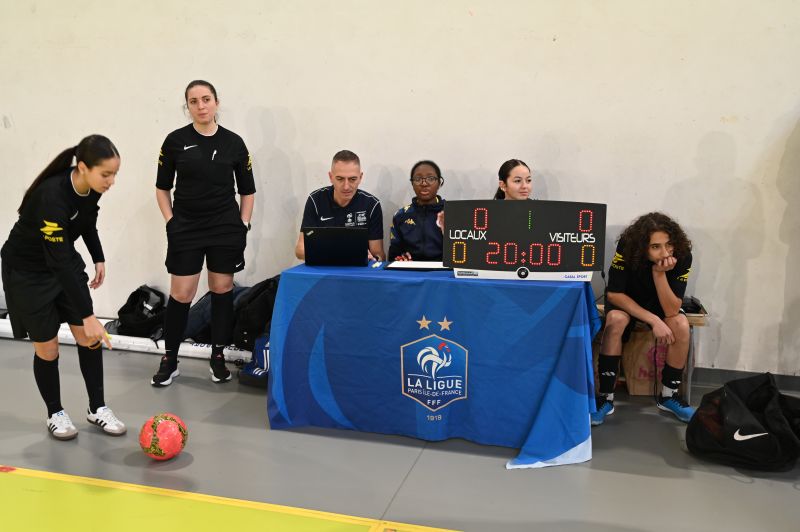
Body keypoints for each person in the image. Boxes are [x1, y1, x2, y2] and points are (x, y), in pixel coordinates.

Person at [1, 135, 126, 440]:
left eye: (114, 174)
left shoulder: (90, 188)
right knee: (48, 348)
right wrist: (88, 315)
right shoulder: (52, 197)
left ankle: (97, 407)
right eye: (106, 174)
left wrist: (98, 257)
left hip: (59, 260)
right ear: (83, 167)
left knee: (89, 338)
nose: (111, 182)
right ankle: (55, 412)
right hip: (28, 273)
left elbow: (87, 221)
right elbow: (58, 263)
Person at [152, 80, 256, 387]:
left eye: (206, 99)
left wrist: (243, 223)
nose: (201, 106)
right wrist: (171, 222)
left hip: (224, 227)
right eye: (194, 101)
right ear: (187, 106)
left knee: (221, 290)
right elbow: (161, 188)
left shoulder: (234, 143)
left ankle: (218, 357)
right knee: (181, 294)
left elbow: (247, 191)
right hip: (186, 227)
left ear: (216, 102)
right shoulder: (175, 141)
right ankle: (170, 359)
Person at [591, 212, 696, 425]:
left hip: (661, 301)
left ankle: (669, 396)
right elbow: (614, 294)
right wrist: (654, 320)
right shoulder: (627, 248)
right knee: (616, 319)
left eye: (668, 244)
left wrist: (659, 274)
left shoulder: (683, 255)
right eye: (656, 246)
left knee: (680, 324)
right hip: (626, 300)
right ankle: (605, 398)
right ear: (642, 247)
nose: (664, 252)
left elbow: (671, 310)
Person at [295, 150, 384, 260]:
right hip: (324, 267)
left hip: (357, 269)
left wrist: (373, 259)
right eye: (340, 179)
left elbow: (379, 255)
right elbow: (300, 250)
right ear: (331, 177)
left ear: (360, 177)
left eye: (352, 179)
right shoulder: (316, 200)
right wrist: (341, 254)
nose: (346, 186)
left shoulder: (371, 204)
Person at [389, 160, 446, 261]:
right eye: (418, 179)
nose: (424, 183)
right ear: (412, 183)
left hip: (443, 268)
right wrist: (400, 258)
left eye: (431, 178)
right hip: (410, 269)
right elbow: (393, 255)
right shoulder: (401, 216)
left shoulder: (452, 213)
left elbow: (464, 253)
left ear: (439, 183)